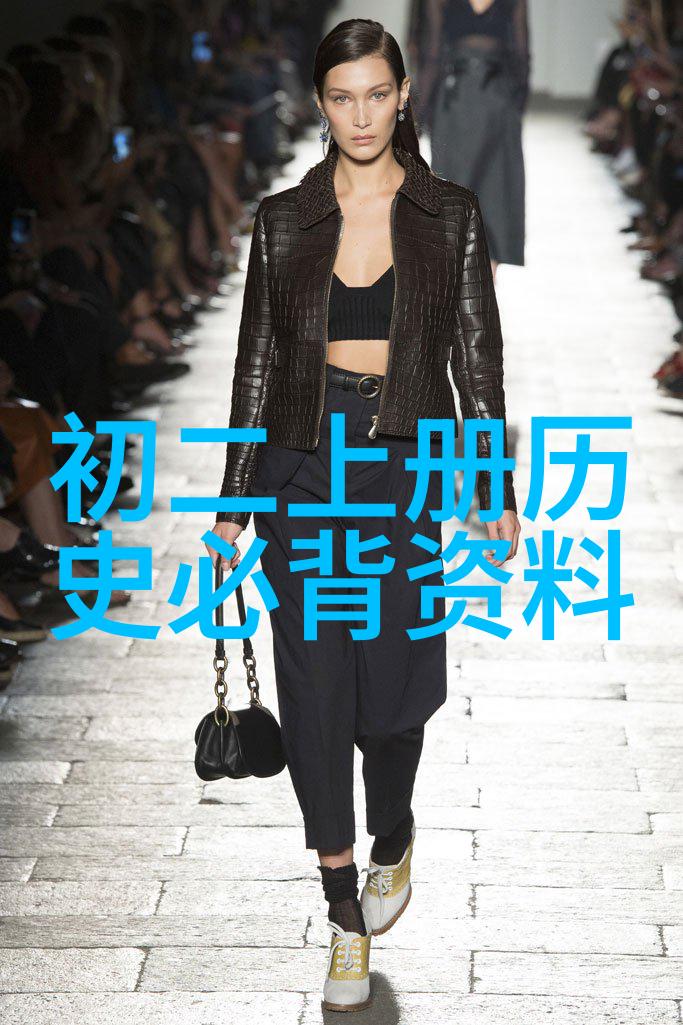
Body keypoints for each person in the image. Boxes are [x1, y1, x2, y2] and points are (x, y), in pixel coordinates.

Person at [206, 17, 520, 1013]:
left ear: (402, 95)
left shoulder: (448, 214)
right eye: (341, 98)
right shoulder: (283, 220)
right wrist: (234, 504)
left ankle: (393, 832)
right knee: (315, 691)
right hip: (303, 466)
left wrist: (491, 488)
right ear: (320, 103)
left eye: (376, 94)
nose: (360, 115)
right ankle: (341, 908)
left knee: (392, 696)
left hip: (403, 469)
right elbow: (255, 365)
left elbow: (476, 361)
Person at [417, 0, 530, 277]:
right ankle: (484, 281)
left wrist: (420, 112)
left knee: (457, 185)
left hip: (459, 100)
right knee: (494, 188)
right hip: (492, 99)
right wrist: (516, 104)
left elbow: (432, 55)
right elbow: (522, 54)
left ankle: (461, 278)